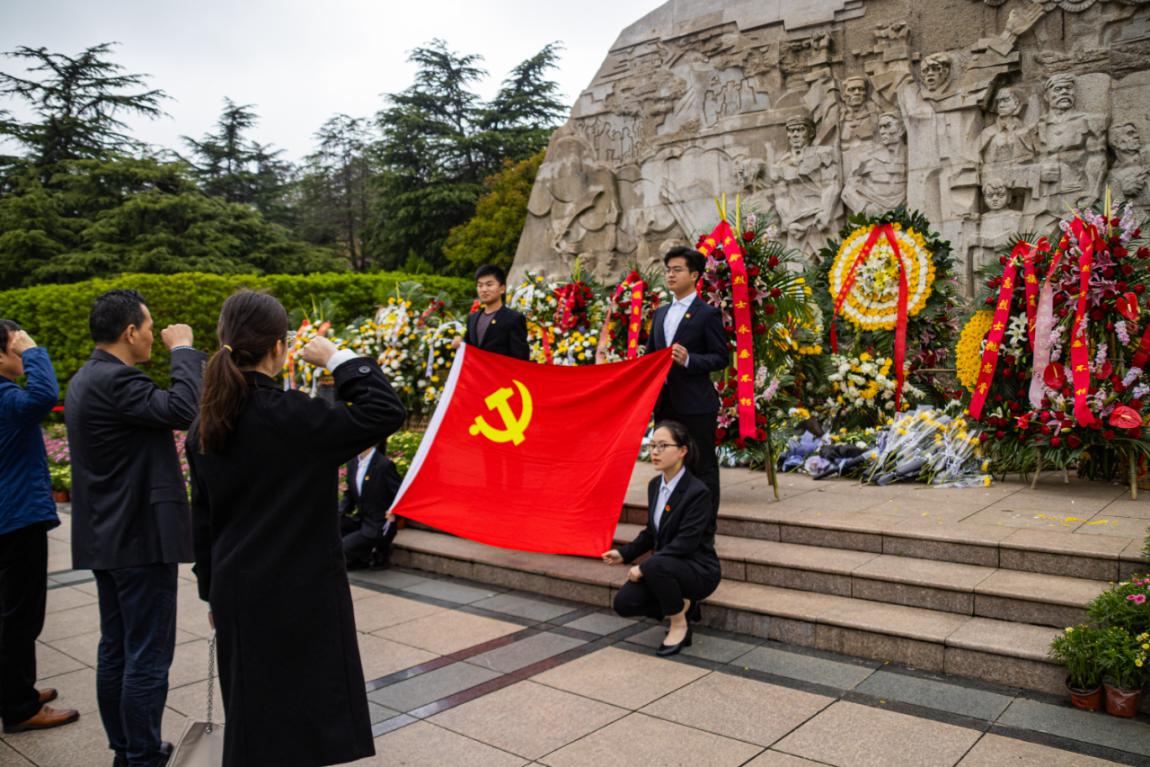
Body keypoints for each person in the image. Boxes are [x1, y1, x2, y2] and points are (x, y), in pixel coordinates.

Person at [187, 289, 405, 767]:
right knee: (304, 722)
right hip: (300, 594)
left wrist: (211, 592)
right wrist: (337, 358)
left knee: (253, 718)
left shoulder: (207, 422)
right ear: (278, 347)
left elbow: (203, 521)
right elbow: (385, 410)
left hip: (237, 591)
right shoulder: (294, 417)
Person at [66, 290, 205, 767]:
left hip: (107, 536)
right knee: (146, 654)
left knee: (117, 649)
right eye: (148, 328)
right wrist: (183, 350)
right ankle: (142, 755)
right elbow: (185, 410)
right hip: (139, 539)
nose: (152, 335)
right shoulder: (118, 381)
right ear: (130, 332)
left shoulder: (86, 378)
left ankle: (126, 749)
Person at [0, 321, 80, 734]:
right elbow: (46, 395)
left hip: (9, 516)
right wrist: (33, 350)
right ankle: (19, 707)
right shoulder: (6, 397)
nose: (21, 356)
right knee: (21, 616)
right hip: (17, 519)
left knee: (11, 612)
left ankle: (16, 691)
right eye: (14, 349)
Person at [602, 420, 721, 656]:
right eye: (652, 445)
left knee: (656, 565)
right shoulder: (655, 485)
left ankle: (679, 624)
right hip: (665, 567)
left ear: (682, 450)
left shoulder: (697, 491)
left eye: (663, 446)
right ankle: (684, 605)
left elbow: (686, 542)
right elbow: (651, 532)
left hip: (698, 569)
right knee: (624, 603)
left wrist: (644, 567)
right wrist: (624, 553)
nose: (655, 452)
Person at [646, 246, 728, 513]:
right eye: (668, 270)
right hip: (665, 405)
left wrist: (690, 360)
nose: (670, 275)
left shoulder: (707, 313)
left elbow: (720, 357)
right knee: (669, 466)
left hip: (695, 405)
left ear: (694, 275)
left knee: (701, 466)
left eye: (677, 270)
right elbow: (650, 358)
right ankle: (673, 522)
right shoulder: (660, 313)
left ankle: (705, 526)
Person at [340, 441, 401, 570]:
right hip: (361, 519)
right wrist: (337, 514)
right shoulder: (352, 462)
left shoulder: (384, 465)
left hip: (379, 523)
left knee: (343, 549)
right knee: (334, 527)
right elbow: (349, 495)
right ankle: (362, 558)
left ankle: (379, 553)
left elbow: (399, 494)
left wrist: (395, 513)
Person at [453, 264, 530, 360]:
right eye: (480, 285)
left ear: (502, 289)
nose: (484, 290)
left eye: (489, 285)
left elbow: (521, 358)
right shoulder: (472, 318)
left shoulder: (514, 319)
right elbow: (469, 348)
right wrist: (460, 342)